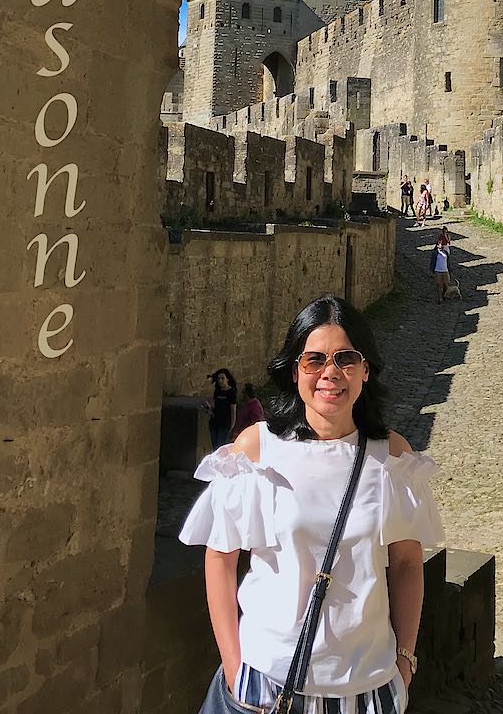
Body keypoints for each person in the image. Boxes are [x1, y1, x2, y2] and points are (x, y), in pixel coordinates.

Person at [180, 294, 444, 714]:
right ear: (294, 370)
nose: (330, 374)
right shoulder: (257, 451)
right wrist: (234, 668)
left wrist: (404, 663)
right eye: (314, 360)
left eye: (345, 359)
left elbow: (408, 565)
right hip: (266, 683)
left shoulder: (391, 457)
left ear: (365, 370)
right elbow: (221, 559)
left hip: (367, 687)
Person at [204, 368, 237, 449]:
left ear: (227, 379)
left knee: (220, 447)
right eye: (219, 379)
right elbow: (215, 407)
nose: (220, 380)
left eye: (222, 378)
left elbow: (233, 410)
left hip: (224, 424)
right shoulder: (217, 391)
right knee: (215, 447)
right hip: (214, 422)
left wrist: (232, 425)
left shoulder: (231, 392)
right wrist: (209, 408)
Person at [429, 229, 451, 303]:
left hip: (445, 270)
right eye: (439, 244)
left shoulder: (445, 253)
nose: (441, 245)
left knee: (446, 284)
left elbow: (448, 262)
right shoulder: (435, 253)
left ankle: (444, 295)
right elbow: (432, 262)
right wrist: (431, 271)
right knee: (438, 284)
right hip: (438, 270)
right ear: (437, 245)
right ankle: (440, 298)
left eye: (441, 244)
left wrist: (449, 269)